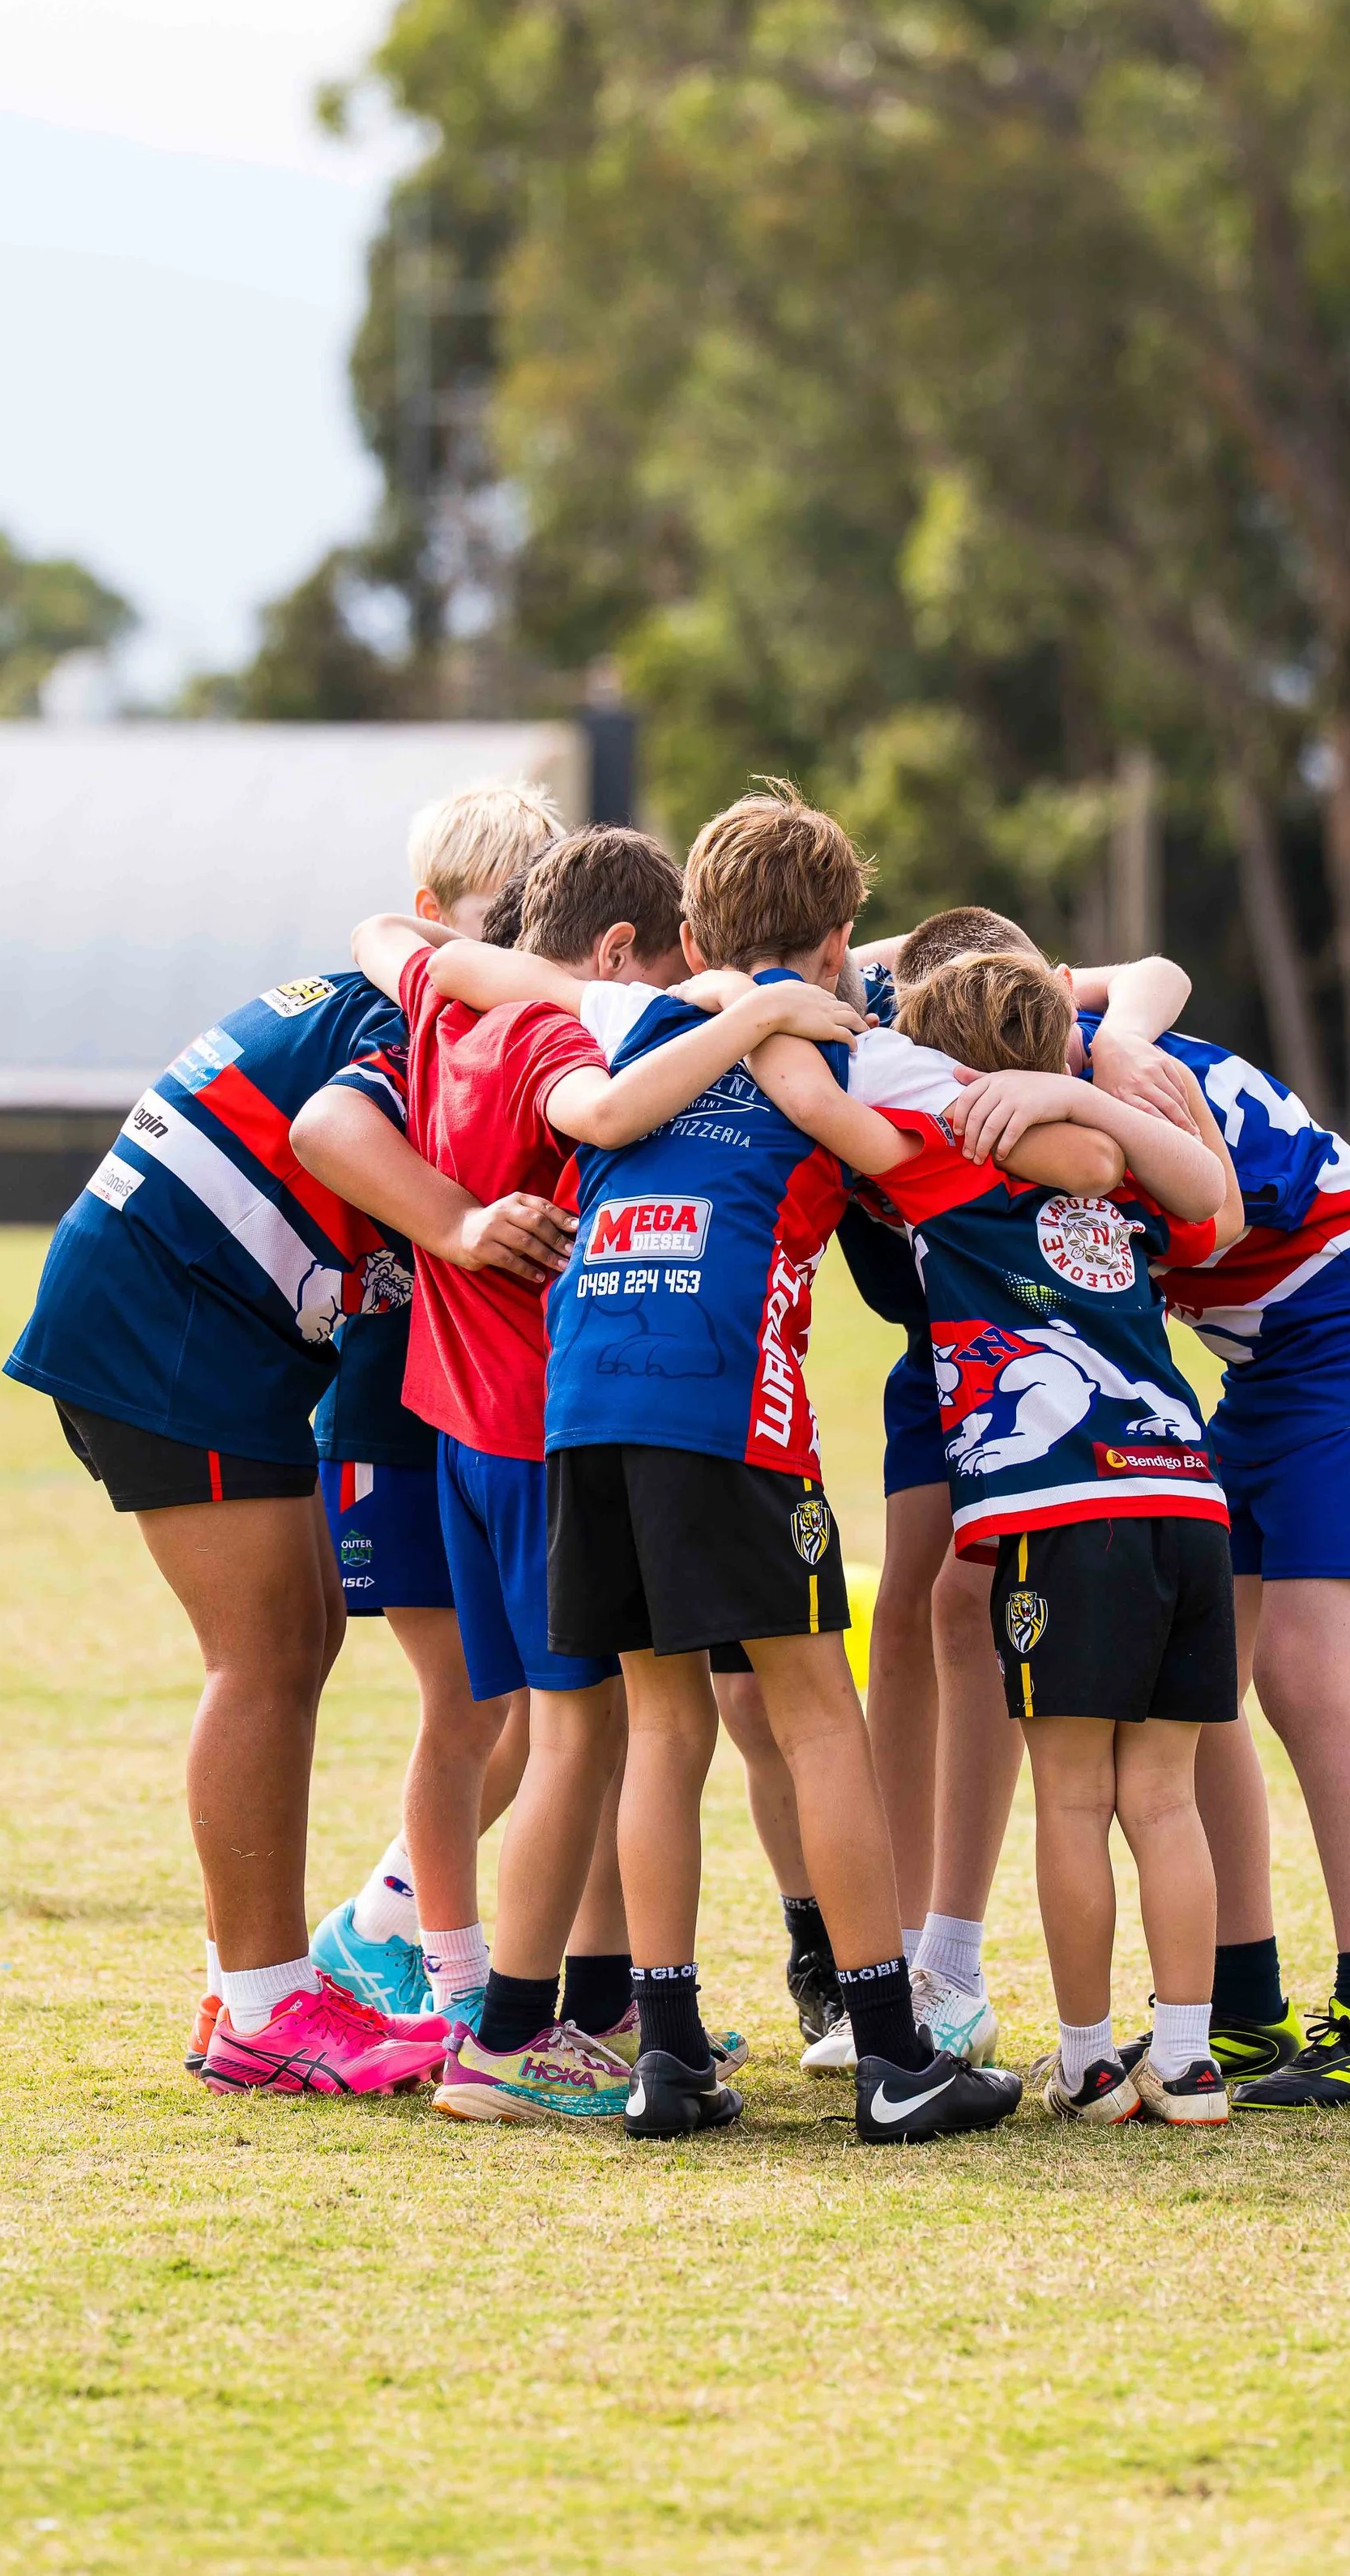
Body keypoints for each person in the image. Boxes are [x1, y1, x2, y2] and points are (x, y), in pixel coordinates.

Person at [421, 788, 1046, 2142]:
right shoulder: (846, 1052)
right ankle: (894, 2052)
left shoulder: (631, 1016)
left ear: (691, 926)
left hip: (580, 1400)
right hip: (726, 1408)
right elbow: (967, 1149)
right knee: (820, 1709)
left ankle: (669, 2054)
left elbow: (468, 966)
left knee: (661, 1722)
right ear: (840, 940)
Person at [325, 820, 875, 2127]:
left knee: (559, 1723)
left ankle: (594, 2007)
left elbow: (393, 943)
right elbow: (611, 1106)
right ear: (634, 945)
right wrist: (760, 1012)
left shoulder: (460, 1016)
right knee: (581, 1732)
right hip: (549, 1416)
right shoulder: (575, 1039)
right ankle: (510, 2029)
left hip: (457, 1421)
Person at [746, 943, 1244, 2124]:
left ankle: (1084, 2060)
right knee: (1164, 1799)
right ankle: (1186, 2057)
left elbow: (813, 1092)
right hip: (1187, 1499)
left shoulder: (937, 1158)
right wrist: (1088, 1085)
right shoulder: (1121, 1169)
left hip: (1060, 1514)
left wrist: (753, 1002)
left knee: (1072, 1797)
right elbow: (1209, 1202)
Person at [2, 965, 498, 2097]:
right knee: (265, 1651)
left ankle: (250, 1981)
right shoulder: (419, 1016)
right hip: (175, 1318)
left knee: (300, 1637)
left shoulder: (408, 987)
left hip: (201, 1316)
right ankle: (268, 2008)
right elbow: (335, 1134)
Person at [1081, 961, 1350, 2108]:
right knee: (1194, 1681)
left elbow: (1212, 1224)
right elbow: (1145, 970)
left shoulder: (1110, 1080)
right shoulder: (1076, 1027)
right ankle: (1242, 2006)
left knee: (1303, 1674)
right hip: (1270, 1366)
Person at [296, 781, 566, 2027]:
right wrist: (456, 1224)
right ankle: (451, 1976)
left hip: (495, 1415)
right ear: (432, 916)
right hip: (393, 1418)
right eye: (488, 920)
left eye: (531, 919)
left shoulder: (535, 1028)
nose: (510, 949)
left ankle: (391, 1924)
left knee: (526, 1705)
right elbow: (332, 1125)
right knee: (470, 1704)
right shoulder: (406, 1026)